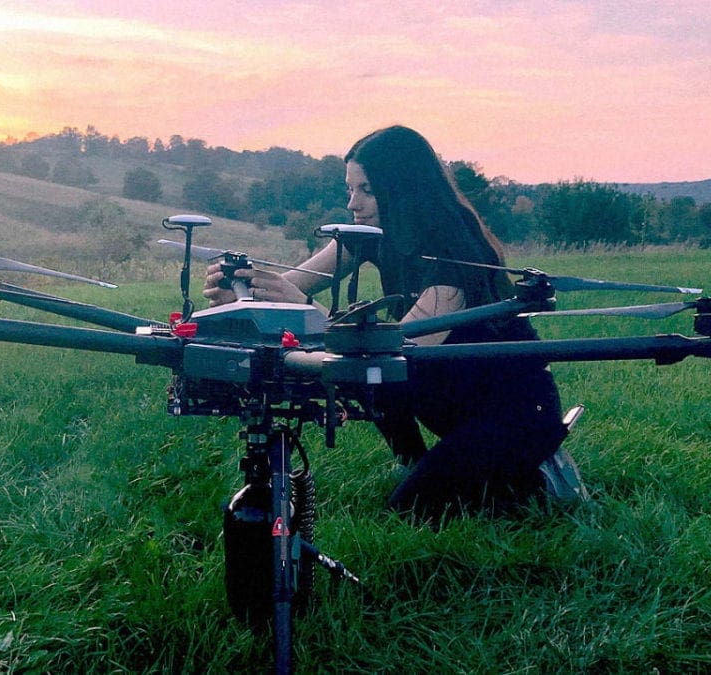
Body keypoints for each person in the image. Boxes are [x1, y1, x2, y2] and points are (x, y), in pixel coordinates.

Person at [204, 125, 585, 520]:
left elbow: (397, 352)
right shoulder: (373, 232)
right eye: (349, 189)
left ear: (403, 190)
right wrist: (241, 288)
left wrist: (308, 310)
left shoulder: (452, 254)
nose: (353, 203)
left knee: (409, 510)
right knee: (381, 395)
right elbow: (290, 283)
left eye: (367, 190)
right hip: (451, 400)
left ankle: (540, 477)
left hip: (512, 414)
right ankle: (421, 464)